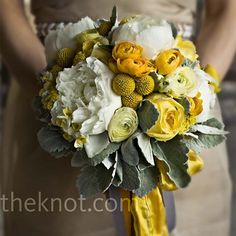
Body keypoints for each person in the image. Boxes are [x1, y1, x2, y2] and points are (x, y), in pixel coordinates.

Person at [0, 0, 235, 235]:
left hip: (178, 111)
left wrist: (195, 94)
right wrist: (54, 94)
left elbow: (226, 10)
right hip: (58, 103)